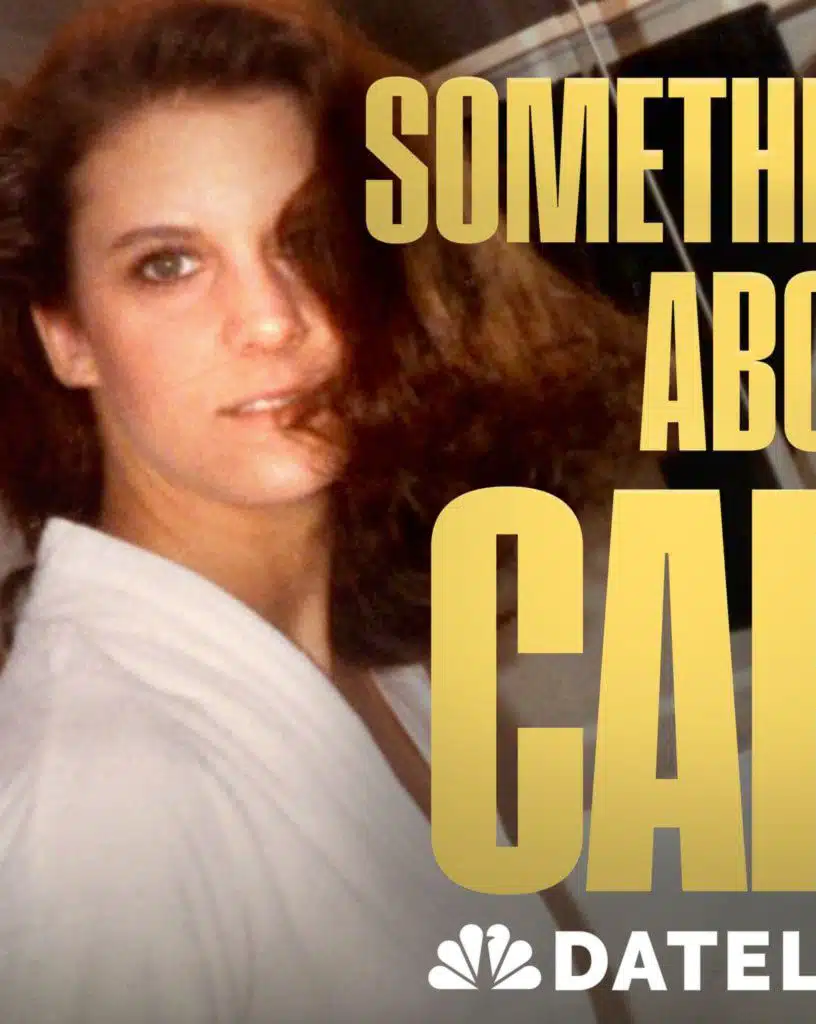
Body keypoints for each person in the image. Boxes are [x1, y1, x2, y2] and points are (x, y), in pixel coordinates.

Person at [0, 0, 648, 1021]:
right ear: (67, 335)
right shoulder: (106, 791)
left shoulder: (363, 669)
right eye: (168, 263)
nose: (271, 317)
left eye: (310, 240)